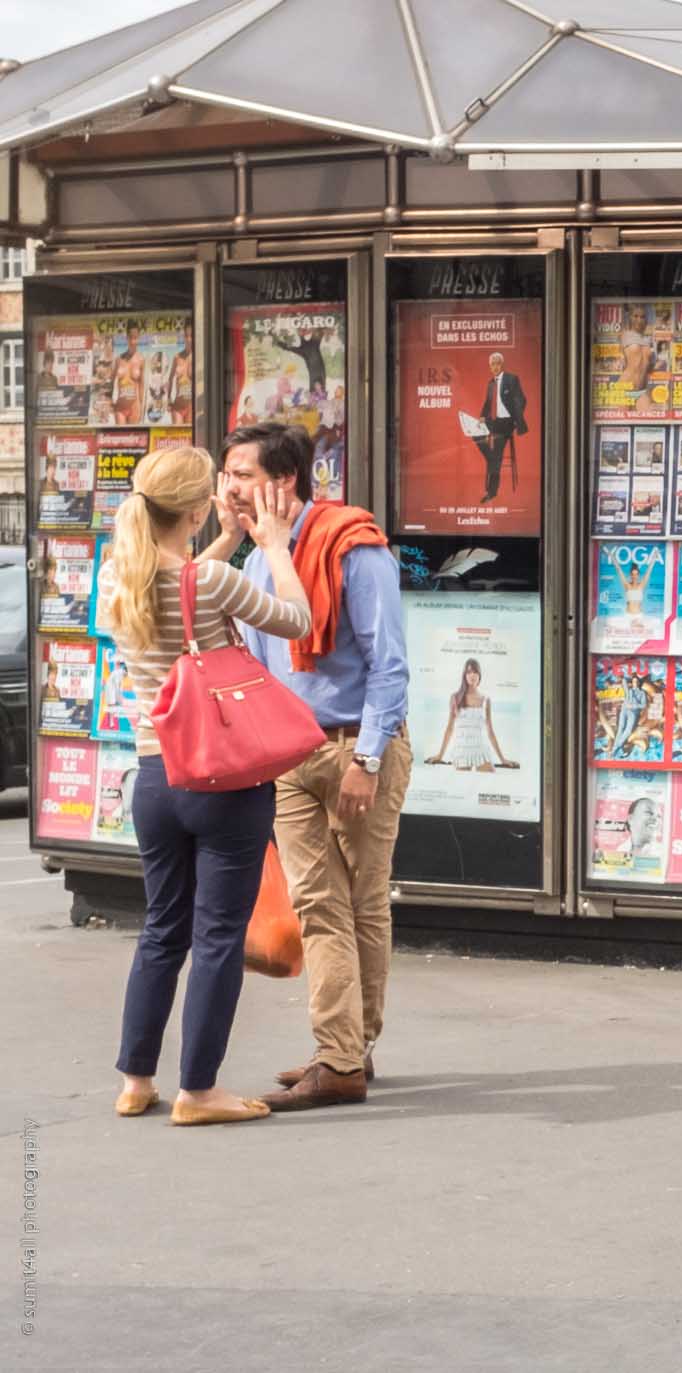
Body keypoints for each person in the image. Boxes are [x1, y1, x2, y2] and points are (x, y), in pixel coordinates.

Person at [97, 444, 312, 1126]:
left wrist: (218, 540)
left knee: (162, 931)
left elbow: (183, 586)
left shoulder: (116, 576)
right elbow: (296, 620)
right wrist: (273, 547)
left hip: (156, 781)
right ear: (193, 510)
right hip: (221, 779)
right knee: (217, 934)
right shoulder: (210, 583)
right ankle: (198, 1090)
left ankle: (135, 1079)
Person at [210, 421, 412, 1111]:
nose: (227, 487)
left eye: (239, 474)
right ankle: (342, 1051)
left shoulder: (356, 548)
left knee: (361, 903)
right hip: (293, 754)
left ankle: (351, 1050)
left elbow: (389, 667)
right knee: (318, 904)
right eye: (226, 474)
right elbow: (262, 671)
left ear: (283, 479)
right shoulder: (259, 560)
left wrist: (367, 758)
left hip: (358, 745)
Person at [422, 659, 517, 772]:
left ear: (479, 675)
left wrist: (502, 759)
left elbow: (490, 731)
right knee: (460, 787)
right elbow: (449, 729)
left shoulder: (485, 699)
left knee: (490, 780)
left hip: (480, 749)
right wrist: (440, 756)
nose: (472, 675)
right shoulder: (455, 698)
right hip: (461, 750)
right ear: (464, 675)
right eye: (469, 672)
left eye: (475, 672)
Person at [476, 351, 529, 504]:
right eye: (492, 364)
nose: (495, 367)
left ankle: (491, 492)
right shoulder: (491, 383)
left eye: (497, 363)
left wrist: (515, 419)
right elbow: (487, 403)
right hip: (493, 421)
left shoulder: (511, 379)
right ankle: (491, 458)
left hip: (506, 423)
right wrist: (482, 417)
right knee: (474, 432)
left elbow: (522, 400)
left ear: (502, 364)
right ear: (490, 367)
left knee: (496, 454)